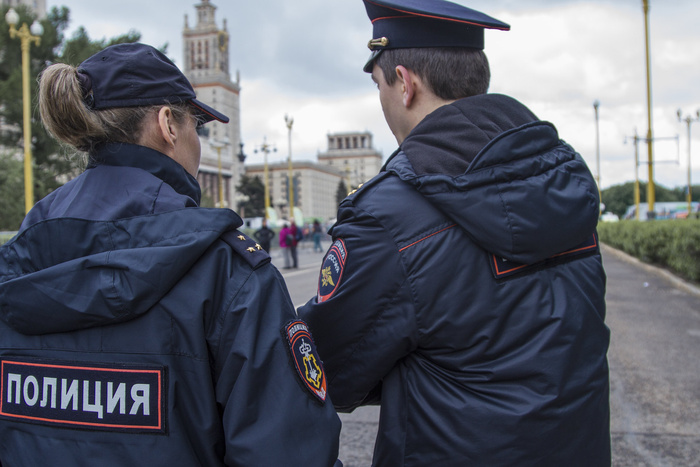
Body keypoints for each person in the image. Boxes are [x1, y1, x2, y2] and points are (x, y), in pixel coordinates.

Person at [297, 1, 610, 465]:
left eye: (378, 84)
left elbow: (328, 366)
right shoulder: (560, 178)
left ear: (404, 84)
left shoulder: (389, 216)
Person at [0, 43, 341, 466]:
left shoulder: (17, 262)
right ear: (168, 124)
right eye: (195, 125)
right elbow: (288, 452)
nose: (197, 143)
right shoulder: (225, 269)